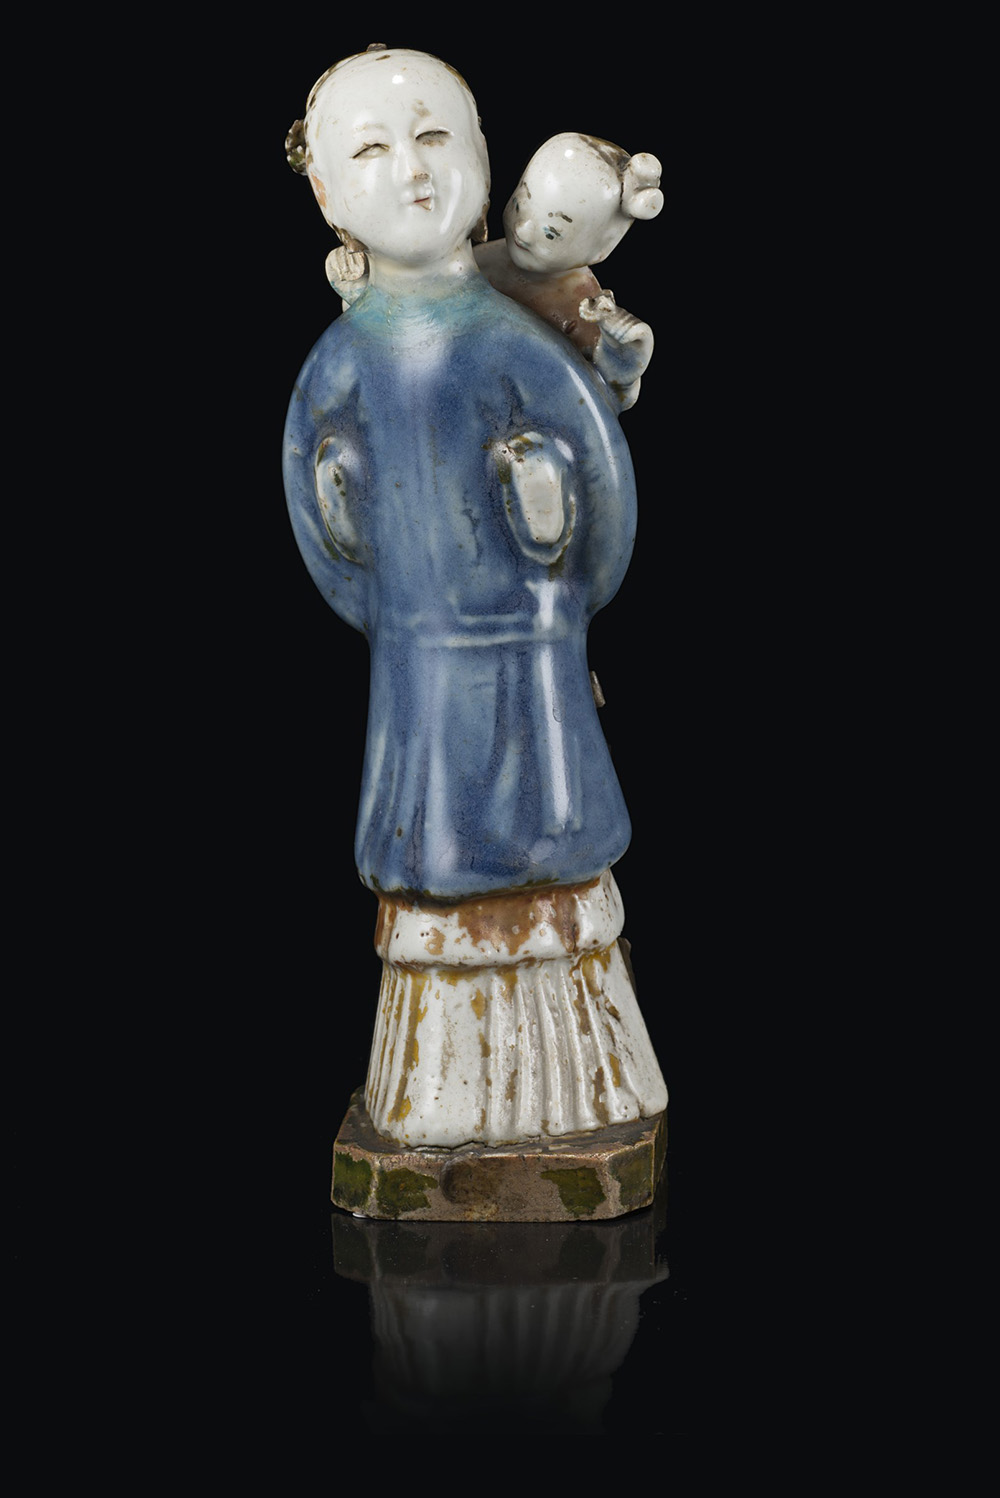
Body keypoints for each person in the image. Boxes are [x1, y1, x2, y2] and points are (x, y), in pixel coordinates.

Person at [284, 47, 666, 1150]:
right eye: (373, 149)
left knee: (551, 837)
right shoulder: (340, 363)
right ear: (327, 194)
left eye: (435, 137)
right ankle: (433, 1092)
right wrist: (392, 604)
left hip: (530, 657)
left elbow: (605, 511)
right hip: (417, 668)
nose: (412, 170)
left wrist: (551, 580)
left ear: (485, 161)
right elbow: (324, 537)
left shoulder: (521, 345)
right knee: (430, 846)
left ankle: (586, 1083)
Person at [326, 128, 662, 409]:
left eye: (551, 232)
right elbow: (420, 308)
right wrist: (368, 287)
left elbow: (600, 398)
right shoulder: (480, 258)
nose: (523, 230)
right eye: (519, 203)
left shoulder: (583, 309)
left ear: (601, 249)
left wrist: (621, 355)